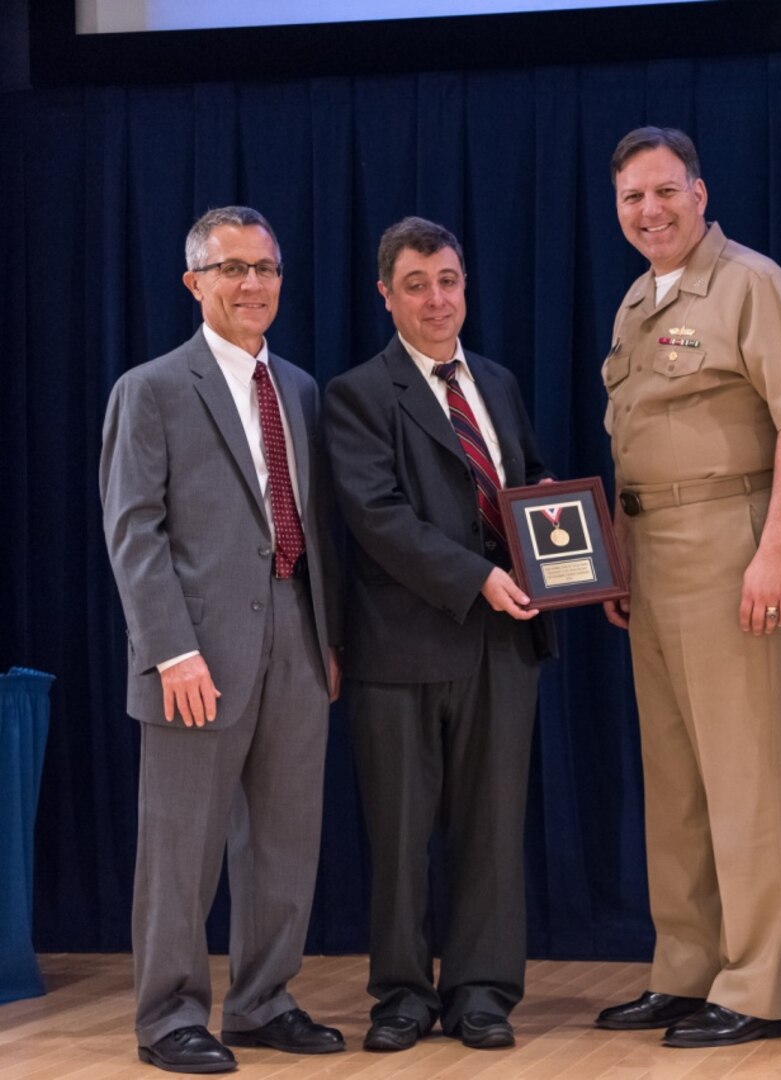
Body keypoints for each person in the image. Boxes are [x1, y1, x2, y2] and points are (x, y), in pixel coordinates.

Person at [594, 127, 781, 1048]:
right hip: (650, 555)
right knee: (677, 780)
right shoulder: (634, 302)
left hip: (734, 541)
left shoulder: (752, 284)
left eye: (663, 192)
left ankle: (759, 985)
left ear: (699, 191)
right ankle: (686, 969)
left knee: (743, 772)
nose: (649, 211)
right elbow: (635, 437)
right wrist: (615, 550)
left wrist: (774, 548)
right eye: (630, 200)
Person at [100, 206, 344, 1074]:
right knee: (182, 843)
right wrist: (170, 651)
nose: (253, 284)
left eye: (266, 268)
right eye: (232, 268)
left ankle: (262, 1000)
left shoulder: (303, 391)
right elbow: (134, 531)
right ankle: (168, 1018)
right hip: (193, 652)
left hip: (295, 635)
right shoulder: (152, 388)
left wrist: (328, 637)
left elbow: (314, 528)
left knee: (285, 837)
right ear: (193, 282)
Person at [324, 216, 554, 1053]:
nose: (435, 298)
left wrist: (558, 526)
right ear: (385, 295)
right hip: (403, 646)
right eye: (416, 284)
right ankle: (399, 996)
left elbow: (523, 482)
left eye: (448, 280)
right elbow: (377, 519)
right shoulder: (356, 393)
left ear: (466, 285)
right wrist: (477, 578)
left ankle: (481, 992)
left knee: (492, 825)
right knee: (398, 831)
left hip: (503, 643)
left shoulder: (496, 379)